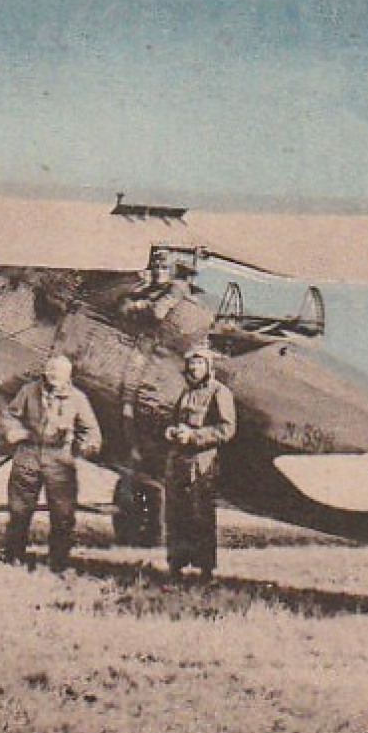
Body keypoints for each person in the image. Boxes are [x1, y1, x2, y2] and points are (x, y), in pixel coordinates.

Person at [0, 354, 102, 572]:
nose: (55, 375)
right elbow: (9, 415)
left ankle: (59, 563)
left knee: (63, 514)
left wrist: (86, 446)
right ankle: (14, 559)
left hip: (59, 460)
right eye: (52, 370)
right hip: (28, 455)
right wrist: (13, 431)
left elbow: (91, 431)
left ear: (68, 376)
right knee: (19, 511)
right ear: (46, 371)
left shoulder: (77, 398)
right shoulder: (29, 391)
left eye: (61, 372)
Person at [163, 344, 237, 581]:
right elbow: (175, 419)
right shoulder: (185, 392)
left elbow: (227, 429)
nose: (194, 368)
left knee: (201, 515)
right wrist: (172, 431)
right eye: (191, 364)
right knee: (176, 514)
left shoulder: (219, 392)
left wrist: (195, 436)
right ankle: (176, 566)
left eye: (199, 364)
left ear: (208, 367)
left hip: (202, 462)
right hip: (178, 461)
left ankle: (205, 570)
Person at [120, 248, 193, 327]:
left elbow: (158, 312)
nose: (159, 271)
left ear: (173, 271)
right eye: (156, 267)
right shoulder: (155, 285)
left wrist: (136, 305)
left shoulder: (178, 288)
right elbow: (127, 298)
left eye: (165, 268)